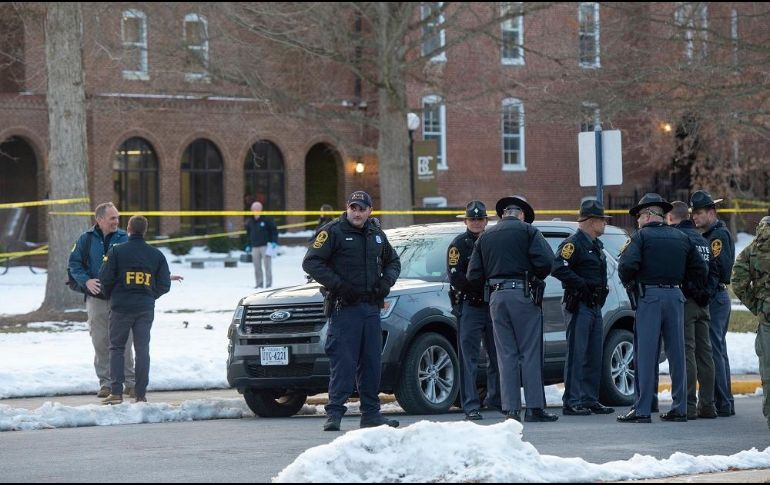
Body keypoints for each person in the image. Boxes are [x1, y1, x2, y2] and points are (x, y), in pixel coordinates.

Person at [302, 190, 401, 431]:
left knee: (371, 363)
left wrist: (385, 283)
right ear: (347, 208)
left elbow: (393, 262)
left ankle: (371, 414)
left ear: (370, 211)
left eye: (362, 209)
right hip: (344, 309)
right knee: (343, 363)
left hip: (370, 308)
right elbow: (311, 262)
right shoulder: (333, 231)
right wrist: (340, 286)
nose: (357, 213)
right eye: (353, 208)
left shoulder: (376, 233)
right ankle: (334, 414)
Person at [617, 193, 707, 423]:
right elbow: (699, 269)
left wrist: (633, 283)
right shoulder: (681, 237)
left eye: (639, 216)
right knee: (677, 353)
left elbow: (627, 265)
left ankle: (643, 409)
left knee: (645, 353)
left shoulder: (641, 237)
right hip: (676, 297)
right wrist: (681, 285)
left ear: (647, 215)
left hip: (650, 297)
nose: (638, 220)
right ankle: (680, 407)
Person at [467, 195, 558, 423]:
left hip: (496, 296)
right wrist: (533, 275)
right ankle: (535, 407)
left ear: (503, 214)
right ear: (522, 215)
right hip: (523, 294)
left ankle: (511, 409)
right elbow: (548, 262)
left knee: (505, 354)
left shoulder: (485, 236)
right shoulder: (528, 232)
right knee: (529, 351)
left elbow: (473, 274)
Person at [98, 215, 173, 404]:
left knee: (116, 348)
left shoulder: (116, 252)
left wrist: (112, 295)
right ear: (145, 231)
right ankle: (140, 394)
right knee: (142, 350)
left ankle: (116, 393)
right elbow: (164, 284)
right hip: (144, 309)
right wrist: (149, 295)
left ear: (128, 229)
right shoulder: (156, 255)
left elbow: (104, 279)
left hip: (121, 307)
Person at [551, 199, 614, 416]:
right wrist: (581, 285)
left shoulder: (596, 244)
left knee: (594, 353)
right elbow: (557, 267)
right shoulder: (573, 243)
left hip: (594, 305)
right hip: (579, 305)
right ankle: (572, 401)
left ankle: (590, 398)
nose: (605, 224)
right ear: (590, 220)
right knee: (578, 353)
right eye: (602, 220)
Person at [67, 202, 134, 399]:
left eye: (117, 217)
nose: (117, 221)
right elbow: (74, 264)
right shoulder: (85, 239)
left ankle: (130, 382)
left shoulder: (125, 238)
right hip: (96, 299)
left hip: (121, 299)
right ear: (100, 219)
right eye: (112, 218)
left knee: (124, 340)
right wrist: (86, 281)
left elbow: (137, 262)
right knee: (100, 340)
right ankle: (106, 384)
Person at [447, 200, 501, 420]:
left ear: (486, 221)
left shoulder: (493, 242)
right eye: (472, 219)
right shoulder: (458, 245)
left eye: (480, 219)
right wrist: (479, 288)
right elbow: (455, 275)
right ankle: (470, 404)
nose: (476, 223)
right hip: (470, 305)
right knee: (468, 358)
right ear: (466, 221)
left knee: (497, 355)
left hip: (492, 305)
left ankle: (495, 399)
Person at [666, 201, 718, 420]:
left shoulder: (679, 238)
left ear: (671, 218)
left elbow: (678, 271)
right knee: (705, 354)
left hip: (686, 301)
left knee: (686, 352)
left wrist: (691, 292)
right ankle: (708, 405)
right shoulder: (702, 240)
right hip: (704, 302)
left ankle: (687, 403)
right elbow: (715, 270)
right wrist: (706, 293)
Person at [690, 190, 736, 417]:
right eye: (693, 213)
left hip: (715, 297)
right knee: (716, 349)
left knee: (713, 349)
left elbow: (719, 269)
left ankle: (722, 402)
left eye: (698, 213)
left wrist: (704, 292)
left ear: (711, 212)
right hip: (714, 296)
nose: (695, 217)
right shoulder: (709, 235)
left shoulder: (717, 236)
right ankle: (724, 401)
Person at [732, 216, 770, 430]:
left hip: (767, 318)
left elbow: (737, 281)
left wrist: (757, 305)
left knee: (768, 372)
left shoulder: (753, 248)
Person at [246, 201, 278, 289]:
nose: (255, 210)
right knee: (257, 267)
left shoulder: (266, 219)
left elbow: (274, 231)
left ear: (260, 209)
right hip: (254, 247)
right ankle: (259, 283)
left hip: (265, 246)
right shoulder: (250, 221)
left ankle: (268, 284)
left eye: (257, 209)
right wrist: (248, 245)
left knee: (267, 266)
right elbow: (248, 234)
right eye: (253, 209)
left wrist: (274, 241)